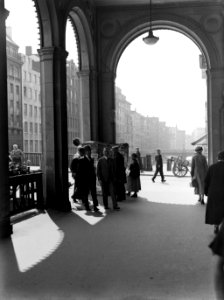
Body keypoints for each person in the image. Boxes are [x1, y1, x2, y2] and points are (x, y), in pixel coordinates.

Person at [205, 151, 224, 234]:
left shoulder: (212, 167)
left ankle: (216, 226)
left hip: (214, 193)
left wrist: (206, 192)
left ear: (218, 158)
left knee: (215, 210)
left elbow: (206, 181)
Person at [72, 146, 91, 211]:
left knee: (83, 192)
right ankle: (86, 205)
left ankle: (84, 203)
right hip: (83, 179)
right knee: (84, 192)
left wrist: (74, 173)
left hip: (82, 179)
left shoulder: (79, 159)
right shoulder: (83, 159)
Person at [84, 145, 99, 212]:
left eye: (90, 150)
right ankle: (87, 206)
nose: (89, 152)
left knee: (93, 193)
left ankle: (95, 206)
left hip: (92, 178)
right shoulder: (83, 159)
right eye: (88, 150)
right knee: (86, 192)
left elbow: (93, 168)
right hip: (86, 179)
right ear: (85, 151)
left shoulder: (92, 159)